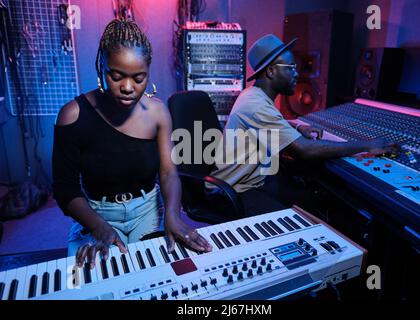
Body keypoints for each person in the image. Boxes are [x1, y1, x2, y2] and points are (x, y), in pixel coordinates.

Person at [52, 19, 211, 268]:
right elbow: (65, 190)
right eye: (116, 76)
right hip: (96, 214)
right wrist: (99, 227)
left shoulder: (158, 113)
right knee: (86, 286)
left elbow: (168, 173)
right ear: (101, 68)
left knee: (169, 278)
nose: (128, 87)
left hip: (148, 210)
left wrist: (172, 214)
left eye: (138, 78)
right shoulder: (72, 115)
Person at [210, 34, 399, 216]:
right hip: (233, 193)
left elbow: (272, 123)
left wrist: (298, 127)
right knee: (298, 224)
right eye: (290, 67)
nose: (296, 73)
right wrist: (366, 145)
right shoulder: (256, 105)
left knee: (308, 201)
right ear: (271, 71)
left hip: (250, 183)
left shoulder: (254, 96)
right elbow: (305, 150)